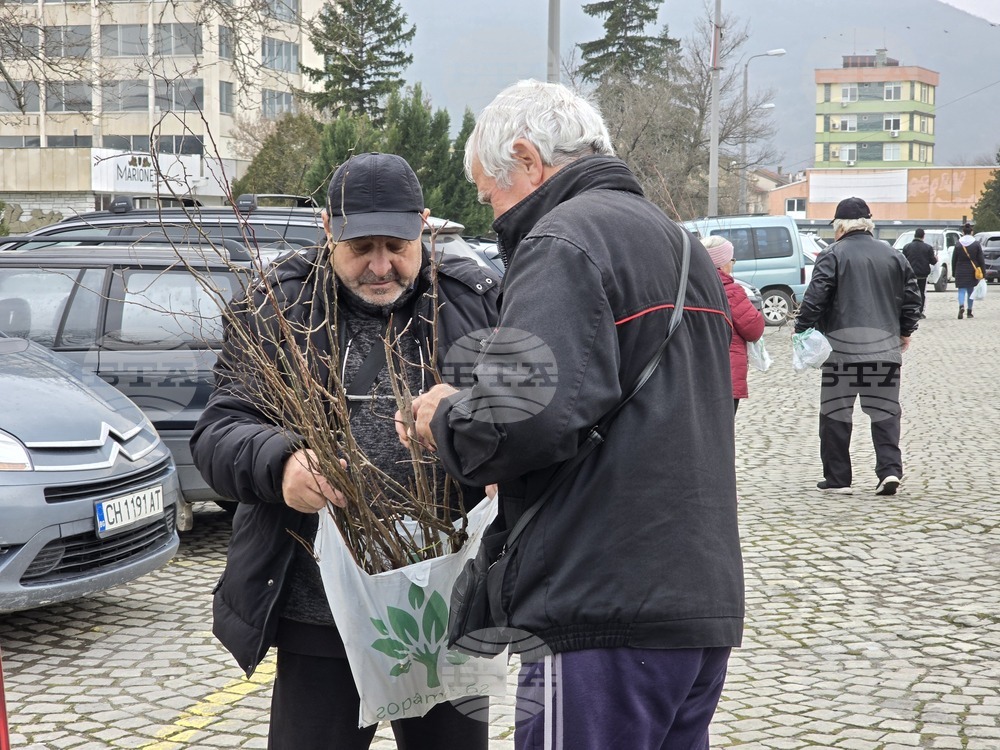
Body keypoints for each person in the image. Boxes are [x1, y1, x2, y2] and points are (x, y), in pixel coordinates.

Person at [402, 80, 744, 750]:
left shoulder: (564, 239)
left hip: (602, 609)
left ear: (527, 161)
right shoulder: (677, 245)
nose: (493, 213)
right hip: (695, 604)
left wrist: (445, 415)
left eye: (488, 193)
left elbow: (525, 419)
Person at [190, 152, 499, 750]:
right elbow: (219, 431)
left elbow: (530, 420)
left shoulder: (476, 302)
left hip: (447, 604)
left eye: (397, 245)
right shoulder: (277, 309)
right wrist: (279, 463)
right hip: (319, 610)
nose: (380, 266)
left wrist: (494, 454)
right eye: (361, 246)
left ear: (424, 226)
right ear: (328, 229)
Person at [795, 197, 922, 497]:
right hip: (884, 350)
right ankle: (890, 471)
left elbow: (815, 298)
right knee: (885, 412)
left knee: (836, 415)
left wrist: (802, 329)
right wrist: (904, 331)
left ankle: (839, 479)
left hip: (842, 353)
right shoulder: (894, 255)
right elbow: (913, 299)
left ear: (840, 227)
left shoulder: (832, 254)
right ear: (869, 224)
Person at [701, 236, 766, 414]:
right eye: (732, 260)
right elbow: (754, 330)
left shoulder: (690, 289)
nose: (733, 264)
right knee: (722, 432)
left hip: (694, 375)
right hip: (726, 375)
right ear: (722, 264)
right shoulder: (732, 292)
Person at [952, 223, 986, 319]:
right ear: (972, 232)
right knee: (971, 291)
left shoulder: (958, 244)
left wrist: (954, 272)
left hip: (960, 269)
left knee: (961, 290)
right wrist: (983, 272)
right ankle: (969, 311)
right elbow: (981, 259)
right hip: (972, 270)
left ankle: (961, 306)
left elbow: (954, 259)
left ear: (963, 232)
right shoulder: (976, 244)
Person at [901, 228, 937, 317]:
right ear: (923, 236)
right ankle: (920, 312)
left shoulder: (907, 247)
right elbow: (933, 261)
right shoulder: (928, 248)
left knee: (910, 292)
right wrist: (936, 258)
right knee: (921, 292)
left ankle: (909, 310)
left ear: (915, 235)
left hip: (910, 274)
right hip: (922, 274)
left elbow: (903, 260)